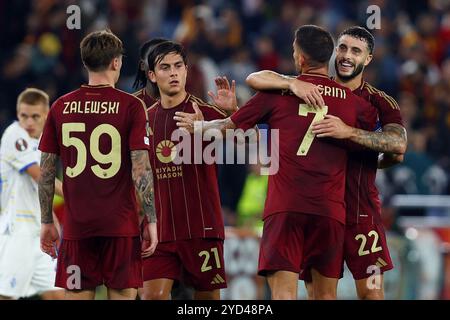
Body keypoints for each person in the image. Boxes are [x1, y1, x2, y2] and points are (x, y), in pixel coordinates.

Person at [174, 25, 377, 300]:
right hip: (330, 211)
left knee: (283, 293)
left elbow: (228, 126)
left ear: (300, 58)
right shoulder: (355, 105)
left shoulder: (277, 94)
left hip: (286, 209)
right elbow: (377, 147)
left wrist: (199, 127)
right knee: (327, 296)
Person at [245, 26, 407, 299]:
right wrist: (290, 82)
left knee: (371, 292)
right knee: (317, 293)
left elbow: (398, 145)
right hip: (317, 206)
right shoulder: (309, 86)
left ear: (368, 59)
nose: (346, 56)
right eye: (342, 48)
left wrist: (350, 134)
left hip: (359, 210)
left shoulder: (380, 102)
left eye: (356, 51)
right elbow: (257, 79)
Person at [38, 29, 158, 300]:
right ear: (116, 62)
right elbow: (141, 169)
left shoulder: (60, 106)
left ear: (85, 63)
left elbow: (46, 172)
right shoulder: (132, 106)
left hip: (78, 228)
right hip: (120, 227)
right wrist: (151, 218)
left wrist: (46, 220)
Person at [139, 40, 236, 300]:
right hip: (161, 229)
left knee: (206, 300)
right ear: (152, 75)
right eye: (165, 67)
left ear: (186, 70)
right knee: (153, 297)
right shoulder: (143, 120)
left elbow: (254, 142)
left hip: (201, 228)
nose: (173, 73)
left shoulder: (205, 112)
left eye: (178, 66)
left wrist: (232, 115)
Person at [0, 88, 64, 300]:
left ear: (46, 115)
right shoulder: (14, 134)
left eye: (35, 116)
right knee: (7, 295)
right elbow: (40, 177)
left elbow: (39, 190)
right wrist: (78, 198)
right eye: (23, 116)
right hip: (17, 229)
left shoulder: (43, 144)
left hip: (40, 230)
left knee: (57, 295)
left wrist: (51, 218)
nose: (28, 122)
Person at [132, 37, 168, 106]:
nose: (160, 64)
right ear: (142, 65)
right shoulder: (129, 105)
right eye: (153, 58)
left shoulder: (190, 106)